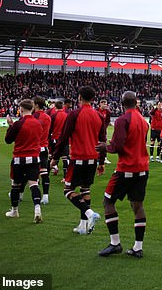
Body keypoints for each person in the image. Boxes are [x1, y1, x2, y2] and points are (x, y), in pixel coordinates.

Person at [97, 91, 150, 258]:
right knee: (138, 205)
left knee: (108, 201)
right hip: (142, 168)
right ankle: (137, 247)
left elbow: (117, 146)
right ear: (136, 102)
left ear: (121, 103)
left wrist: (105, 147)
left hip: (126, 168)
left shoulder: (122, 120)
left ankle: (115, 243)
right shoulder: (143, 120)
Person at [52, 86, 105, 235]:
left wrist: (55, 158)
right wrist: (101, 162)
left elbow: (63, 137)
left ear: (80, 97)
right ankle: (82, 226)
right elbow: (102, 141)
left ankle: (89, 214)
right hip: (92, 159)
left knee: (68, 190)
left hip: (78, 159)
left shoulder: (74, 114)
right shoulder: (99, 116)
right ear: (93, 99)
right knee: (85, 190)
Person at [4, 99, 44, 223]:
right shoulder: (38, 123)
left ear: (21, 109)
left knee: (16, 185)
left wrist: (10, 125)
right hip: (34, 158)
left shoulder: (18, 123)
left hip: (19, 158)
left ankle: (14, 211)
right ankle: (37, 210)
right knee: (34, 184)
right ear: (32, 109)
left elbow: (8, 140)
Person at [32, 96, 52, 204]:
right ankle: (45, 196)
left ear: (36, 105)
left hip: (34, 148)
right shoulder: (48, 117)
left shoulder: (33, 116)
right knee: (44, 172)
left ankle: (18, 194)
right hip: (44, 147)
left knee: (27, 172)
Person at [48, 101, 68, 180]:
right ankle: (65, 177)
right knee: (65, 159)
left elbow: (50, 128)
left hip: (55, 139)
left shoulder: (53, 115)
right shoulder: (67, 115)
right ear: (62, 107)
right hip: (64, 139)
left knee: (51, 158)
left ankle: (46, 175)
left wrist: (48, 137)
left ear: (55, 107)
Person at [97, 99, 112, 164]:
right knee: (96, 143)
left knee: (104, 143)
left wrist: (105, 127)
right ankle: (96, 157)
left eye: (105, 104)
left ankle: (104, 158)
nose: (105, 105)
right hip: (97, 129)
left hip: (103, 130)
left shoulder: (108, 112)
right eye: (103, 104)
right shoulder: (96, 111)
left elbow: (108, 120)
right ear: (100, 104)